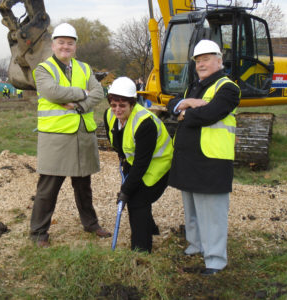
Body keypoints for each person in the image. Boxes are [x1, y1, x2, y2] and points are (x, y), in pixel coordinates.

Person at [30, 22, 111, 247]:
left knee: (84, 186)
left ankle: (91, 223)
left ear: (75, 46)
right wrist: (82, 92)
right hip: (56, 138)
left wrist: (78, 105)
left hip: (82, 136)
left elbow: (98, 92)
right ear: (53, 45)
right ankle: (38, 233)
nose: (66, 47)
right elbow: (52, 92)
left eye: (70, 43)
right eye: (61, 43)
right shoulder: (43, 69)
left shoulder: (84, 68)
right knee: (48, 187)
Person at [166, 40, 240, 275]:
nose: (201, 64)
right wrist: (187, 103)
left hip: (212, 160)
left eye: (206, 59)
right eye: (198, 61)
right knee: (192, 209)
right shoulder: (193, 88)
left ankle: (215, 259)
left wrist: (184, 113)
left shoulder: (228, 88)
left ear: (219, 61)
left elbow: (209, 114)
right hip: (189, 158)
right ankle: (196, 245)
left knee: (212, 213)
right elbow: (171, 103)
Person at [104, 77, 173, 253]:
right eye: (113, 105)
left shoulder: (145, 123)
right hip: (135, 163)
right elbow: (117, 141)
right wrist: (123, 160)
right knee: (133, 193)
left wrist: (126, 190)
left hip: (157, 166)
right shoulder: (109, 116)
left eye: (122, 106)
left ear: (132, 104)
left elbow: (142, 164)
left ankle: (141, 250)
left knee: (137, 201)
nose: (117, 110)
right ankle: (151, 229)